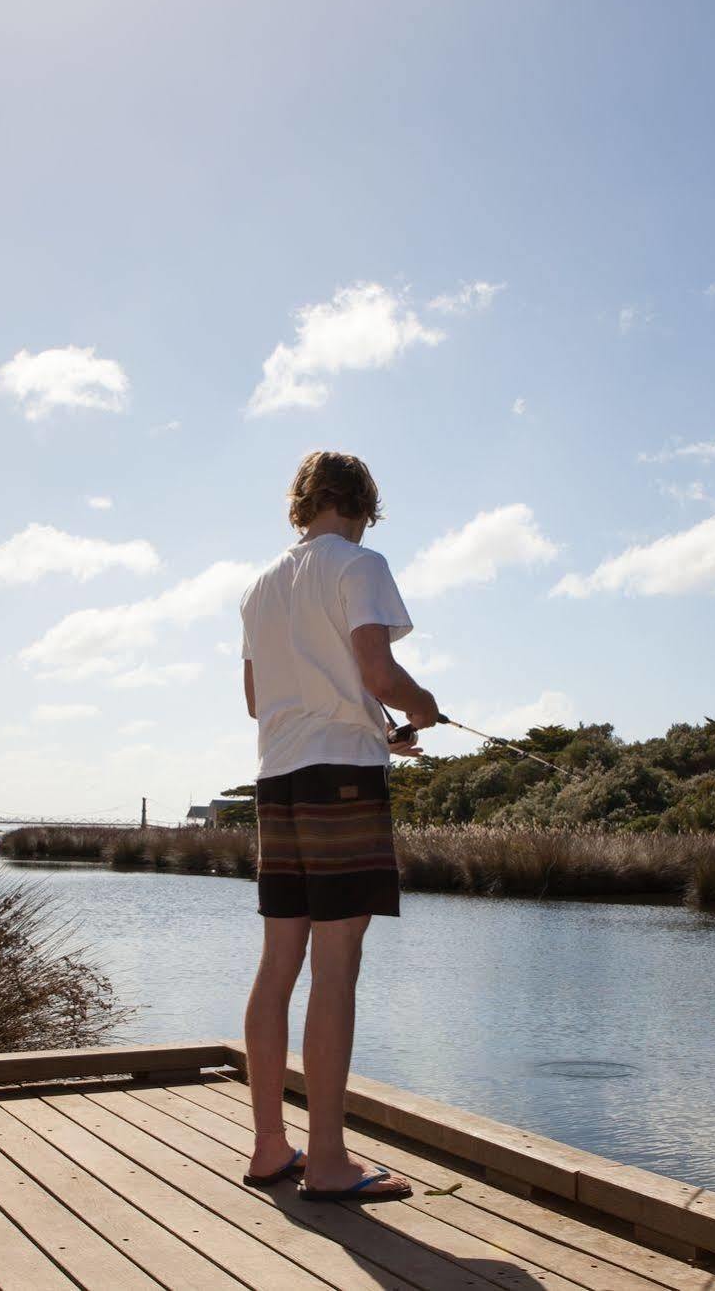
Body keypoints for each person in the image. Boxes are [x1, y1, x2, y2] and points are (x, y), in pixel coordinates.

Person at [237, 450, 439, 1202]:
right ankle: (325, 1162)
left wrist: (372, 727)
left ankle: (268, 1150)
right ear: (361, 504)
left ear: (303, 502)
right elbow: (378, 675)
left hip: (278, 778)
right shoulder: (358, 563)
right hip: (342, 781)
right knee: (337, 965)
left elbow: (261, 701)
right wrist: (417, 707)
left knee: (278, 962)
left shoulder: (260, 587)